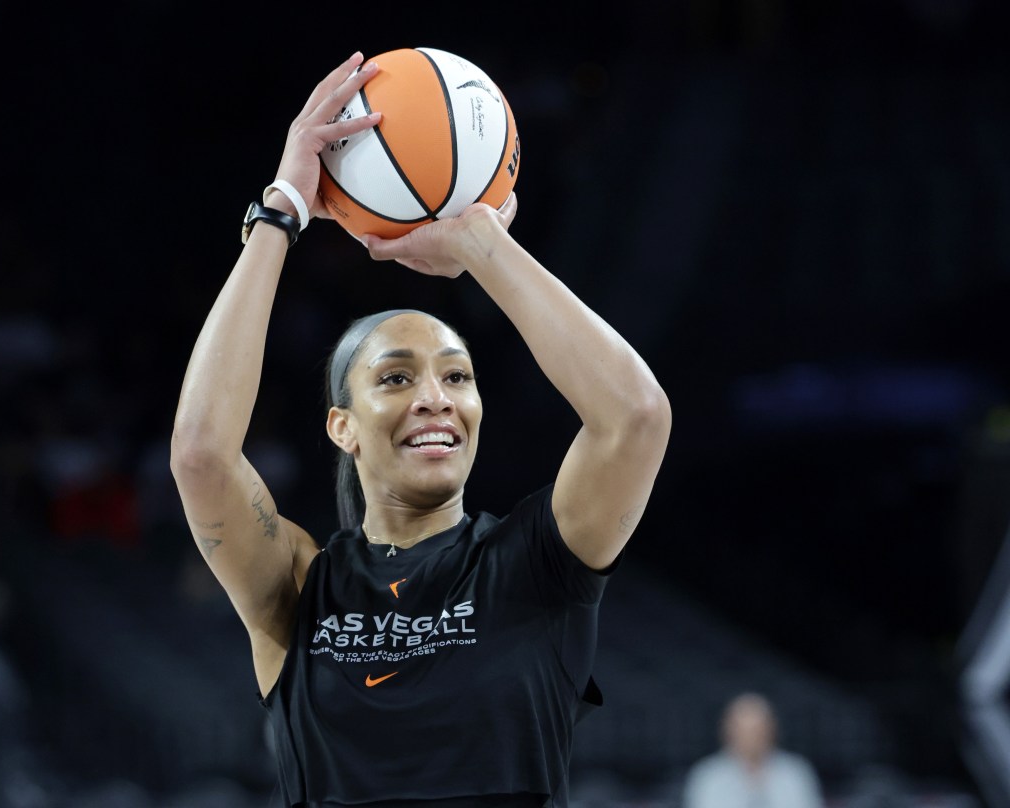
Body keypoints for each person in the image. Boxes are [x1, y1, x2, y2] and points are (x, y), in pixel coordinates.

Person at [170, 51, 671, 807]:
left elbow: (635, 416)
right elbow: (203, 455)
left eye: (457, 376)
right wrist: (281, 212)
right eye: (397, 377)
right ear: (342, 426)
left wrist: (483, 246)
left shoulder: (536, 567)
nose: (436, 397)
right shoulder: (302, 588)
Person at [681, 692, 825, 808]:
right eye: (744, 731)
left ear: (772, 730)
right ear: (728, 732)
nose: (751, 739)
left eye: (758, 730)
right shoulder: (708, 776)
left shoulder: (795, 772)